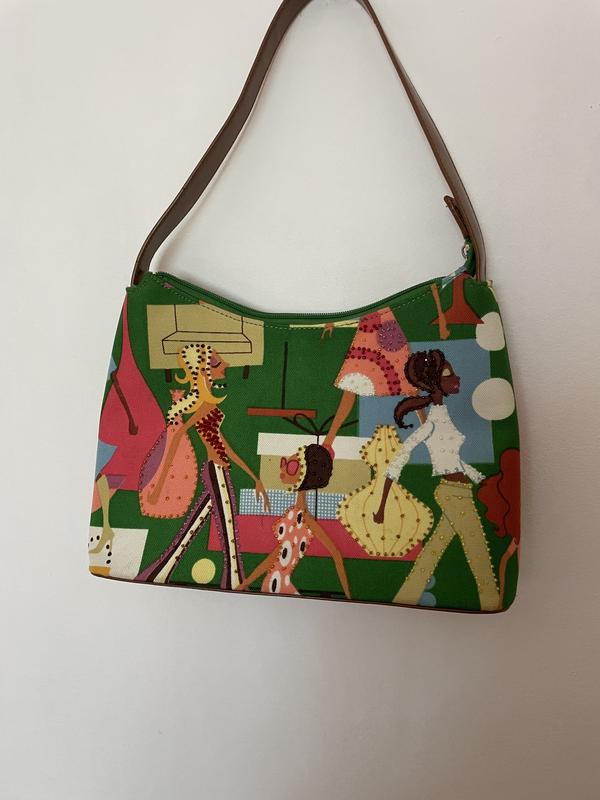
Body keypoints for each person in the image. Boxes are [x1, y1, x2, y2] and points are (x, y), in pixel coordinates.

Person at [373, 349, 500, 611]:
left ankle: (406, 595)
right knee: (479, 552)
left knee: (431, 555)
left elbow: (452, 460)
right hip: (454, 495)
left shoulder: (441, 417)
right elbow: (400, 457)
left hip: (457, 490)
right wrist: (382, 505)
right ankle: (491, 600)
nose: (456, 378)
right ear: (434, 382)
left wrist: (479, 478)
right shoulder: (432, 423)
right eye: (448, 373)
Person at [135, 342, 270, 589]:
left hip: (220, 469)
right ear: (204, 370)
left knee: (192, 528)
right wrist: (160, 481)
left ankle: (159, 572)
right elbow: (178, 436)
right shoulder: (203, 407)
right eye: (217, 362)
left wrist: (254, 477)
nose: (225, 364)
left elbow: (224, 446)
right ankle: (235, 580)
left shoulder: (211, 406)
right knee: (229, 528)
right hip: (215, 471)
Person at [236, 444, 350, 599]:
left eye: (291, 466)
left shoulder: (306, 520)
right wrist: (247, 582)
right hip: (272, 583)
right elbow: (275, 556)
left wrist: (349, 596)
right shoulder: (293, 514)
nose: (283, 468)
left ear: (305, 475)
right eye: (284, 462)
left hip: (280, 587)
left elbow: (336, 554)